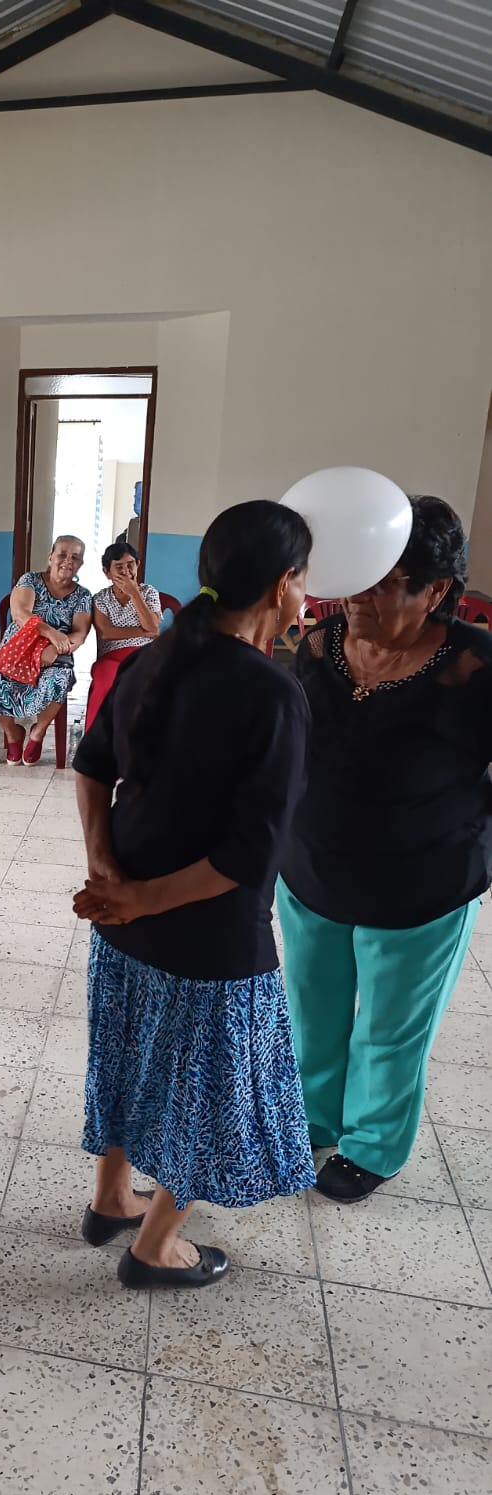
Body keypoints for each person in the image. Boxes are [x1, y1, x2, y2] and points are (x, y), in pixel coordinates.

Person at [72, 501, 316, 1288]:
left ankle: (112, 1198)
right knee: (209, 1089)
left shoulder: (155, 659)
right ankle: (155, 1247)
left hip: (125, 918)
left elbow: (90, 765)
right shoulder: (272, 693)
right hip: (209, 932)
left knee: (127, 1055)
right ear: (282, 585)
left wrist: (109, 873)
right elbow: (250, 853)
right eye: (303, 579)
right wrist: (134, 895)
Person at [278, 496, 492, 1202]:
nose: (357, 598)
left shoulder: (476, 666)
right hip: (312, 868)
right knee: (313, 1007)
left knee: (393, 1029)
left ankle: (372, 1144)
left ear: (435, 590)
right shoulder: (319, 646)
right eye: (355, 578)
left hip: (422, 884)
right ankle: (312, 1115)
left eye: (382, 584)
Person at [0, 536, 94, 766]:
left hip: (56, 653)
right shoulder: (30, 580)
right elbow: (20, 614)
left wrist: (56, 649)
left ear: (81, 564)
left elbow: (80, 633)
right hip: (20, 647)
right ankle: (12, 733)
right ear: (50, 557)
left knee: (59, 680)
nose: (68, 561)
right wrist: (52, 634)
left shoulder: (82, 595)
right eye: (62, 554)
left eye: (75, 557)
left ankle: (38, 732)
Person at [86, 538, 163, 726]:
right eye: (119, 567)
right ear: (107, 572)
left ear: (138, 565)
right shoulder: (101, 598)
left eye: (130, 565)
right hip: (111, 657)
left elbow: (152, 626)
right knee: (104, 679)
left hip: (144, 656)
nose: (126, 571)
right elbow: (106, 633)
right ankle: (93, 738)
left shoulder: (149, 592)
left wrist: (134, 593)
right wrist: (144, 632)